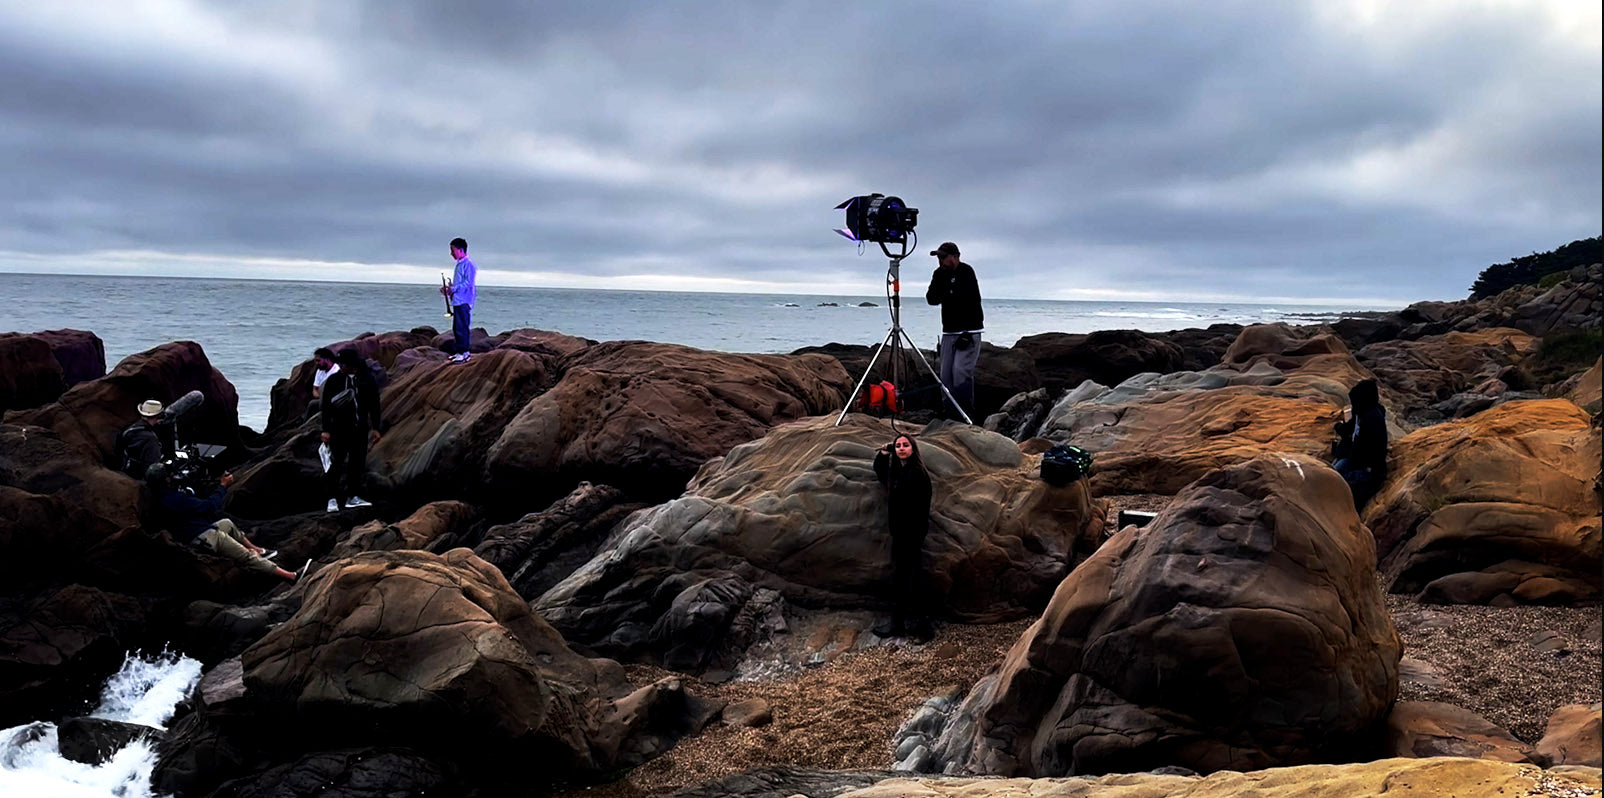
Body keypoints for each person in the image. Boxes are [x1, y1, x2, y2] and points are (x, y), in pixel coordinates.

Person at [145, 463, 298, 582]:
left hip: (192, 533)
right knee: (246, 557)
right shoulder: (176, 499)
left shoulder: (159, 499)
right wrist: (223, 486)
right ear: (166, 480)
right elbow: (209, 507)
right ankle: (290, 576)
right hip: (203, 538)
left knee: (227, 523)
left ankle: (257, 549)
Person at [872, 433, 935, 642]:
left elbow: (921, 507)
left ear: (913, 449)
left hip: (912, 534)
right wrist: (882, 454)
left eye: (905, 445)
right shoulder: (898, 471)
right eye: (898, 445)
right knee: (901, 579)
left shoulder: (918, 473)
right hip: (900, 533)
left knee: (913, 580)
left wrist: (916, 533)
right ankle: (898, 624)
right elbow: (881, 473)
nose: (900, 448)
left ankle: (924, 628)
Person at [925, 241, 983, 421]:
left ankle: (965, 412)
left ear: (955, 256)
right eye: (939, 257)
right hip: (949, 330)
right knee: (946, 375)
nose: (940, 261)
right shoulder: (939, 274)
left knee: (961, 372)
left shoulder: (966, 271)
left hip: (968, 330)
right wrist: (947, 291)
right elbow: (931, 298)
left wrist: (948, 293)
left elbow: (964, 297)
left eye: (943, 257)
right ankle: (949, 411)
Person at [321, 348, 383, 512]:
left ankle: (353, 496)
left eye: (343, 363)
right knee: (336, 464)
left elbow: (374, 404)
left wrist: (376, 427)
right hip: (338, 429)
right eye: (340, 363)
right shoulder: (334, 380)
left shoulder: (367, 379)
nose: (340, 366)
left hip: (360, 428)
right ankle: (332, 499)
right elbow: (326, 407)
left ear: (352, 364)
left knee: (357, 464)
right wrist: (325, 430)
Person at [1332, 378, 1388, 509]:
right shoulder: (1360, 413)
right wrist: (1340, 427)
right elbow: (1349, 429)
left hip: (1368, 469)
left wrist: (1366, 468)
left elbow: (1374, 449)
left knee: (1334, 482)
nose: (1353, 405)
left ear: (1362, 399)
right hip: (1354, 460)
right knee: (1331, 472)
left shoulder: (1373, 418)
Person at [440, 237, 478, 362]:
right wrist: (449, 289)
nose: (451, 253)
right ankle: (460, 351)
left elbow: (468, 283)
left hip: (464, 300)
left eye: (453, 250)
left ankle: (464, 352)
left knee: (462, 326)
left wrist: (454, 288)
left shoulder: (469, 264)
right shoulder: (460, 264)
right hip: (458, 300)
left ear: (461, 250)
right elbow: (460, 283)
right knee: (457, 327)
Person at [116, 399, 173, 477]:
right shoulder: (150, 439)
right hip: (140, 482)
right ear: (158, 416)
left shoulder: (130, 429)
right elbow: (152, 469)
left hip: (125, 475)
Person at [304, 347, 340, 420]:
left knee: (312, 404)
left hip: (332, 400)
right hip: (322, 398)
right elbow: (315, 388)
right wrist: (319, 396)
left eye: (318, 361)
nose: (316, 363)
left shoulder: (336, 371)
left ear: (327, 359)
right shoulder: (320, 370)